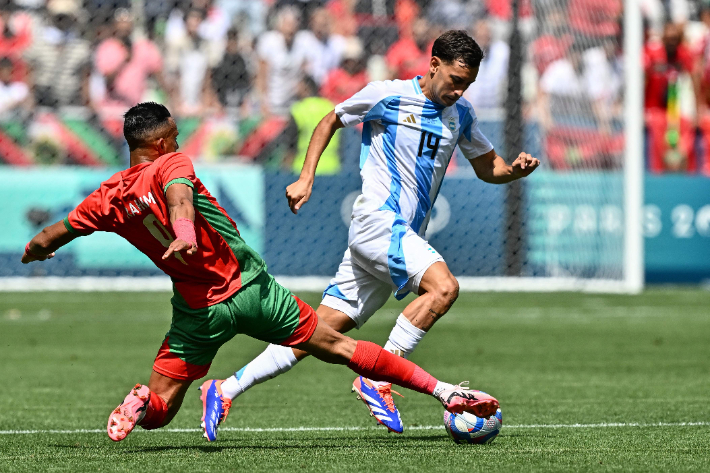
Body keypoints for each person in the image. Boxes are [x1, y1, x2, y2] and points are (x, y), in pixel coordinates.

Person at [20, 101, 499, 443]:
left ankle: (142, 402)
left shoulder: (105, 199)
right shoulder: (172, 162)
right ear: (163, 141)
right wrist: (184, 230)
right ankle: (445, 392)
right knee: (341, 347)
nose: (180, 144)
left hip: (196, 314)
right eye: (176, 138)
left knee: (163, 413)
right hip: (251, 291)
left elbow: (50, 236)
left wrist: (33, 252)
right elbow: (179, 195)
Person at [220, 30, 539, 435]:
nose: (460, 91)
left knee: (321, 330)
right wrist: (305, 178)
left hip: (396, 232)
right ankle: (377, 378)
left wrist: (513, 170)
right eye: (455, 81)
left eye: (468, 84)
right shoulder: (388, 95)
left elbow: (486, 167)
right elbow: (331, 119)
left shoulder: (462, 116)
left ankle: (227, 387)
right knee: (443, 288)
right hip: (377, 220)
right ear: (434, 65)